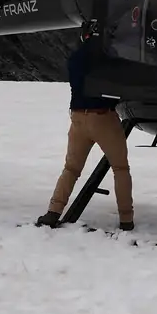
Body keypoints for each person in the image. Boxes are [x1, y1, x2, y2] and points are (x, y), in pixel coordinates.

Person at [35, 25, 134, 230]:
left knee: (71, 169)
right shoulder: (110, 57)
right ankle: (126, 219)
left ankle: (53, 212)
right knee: (120, 169)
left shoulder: (76, 57)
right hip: (103, 118)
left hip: (78, 119)